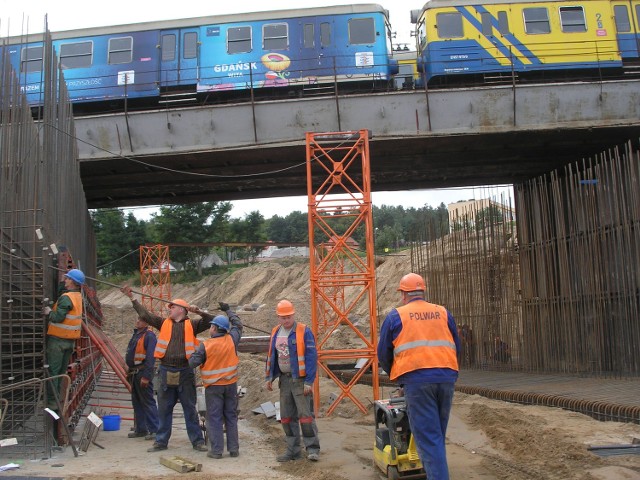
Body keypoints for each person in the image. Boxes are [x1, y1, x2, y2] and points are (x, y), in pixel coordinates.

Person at [377, 273, 460, 480]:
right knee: (436, 436)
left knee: (429, 439)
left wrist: (398, 376)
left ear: (404, 294)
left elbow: (383, 354)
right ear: (423, 291)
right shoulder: (443, 312)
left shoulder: (397, 316)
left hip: (418, 381)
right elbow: (456, 345)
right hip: (446, 377)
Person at [120, 285, 210, 453]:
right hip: (166, 370)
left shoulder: (194, 325)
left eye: (173, 306)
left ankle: (197, 441)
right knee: (164, 408)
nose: (170, 309)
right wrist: (132, 298)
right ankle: (161, 441)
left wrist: (199, 311)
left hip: (185, 371)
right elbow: (145, 314)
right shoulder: (163, 323)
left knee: (189, 408)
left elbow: (211, 321)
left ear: (183, 310)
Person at [265, 299, 320, 462]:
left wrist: (309, 382)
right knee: (287, 417)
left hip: (300, 381)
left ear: (293, 315)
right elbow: (271, 356)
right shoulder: (276, 331)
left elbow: (311, 357)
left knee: (305, 416)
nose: (286, 320)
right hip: (284, 380)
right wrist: (269, 377)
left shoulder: (304, 331)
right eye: (283, 317)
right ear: (278, 317)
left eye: (289, 317)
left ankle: (312, 449)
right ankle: (293, 450)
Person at [189, 308, 243, 459]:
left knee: (214, 418)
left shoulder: (206, 345)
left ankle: (217, 451)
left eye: (211, 326)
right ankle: (233, 449)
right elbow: (238, 325)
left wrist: (194, 352)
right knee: (231, 416)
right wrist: (229, 311)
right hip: (231, 384)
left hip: (214, 387)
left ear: (214, 328)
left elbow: (192, 362)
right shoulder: (232, 339)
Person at [43, 268, 85, 410]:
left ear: (72, 281)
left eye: (67, 279)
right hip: (69, 342)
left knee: (53, 373)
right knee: (60, 373)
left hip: (58, 341)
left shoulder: (66, 298)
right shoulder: (77, 296)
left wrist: (49, 312)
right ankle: (57, 400)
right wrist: (63, 281)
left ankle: (51, 402)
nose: (65, 280)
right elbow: (64, 295)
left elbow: (58, 317)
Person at [125, 316, 159, 440]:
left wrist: (146, 377)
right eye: (137, 319)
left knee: (147, 401)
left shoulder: (149, 336)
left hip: (142, 372)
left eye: (140, 320)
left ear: (146, 323)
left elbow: (151, 358)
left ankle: (155, 429)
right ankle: (141, 429)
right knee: (137, 401)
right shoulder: (137, 335)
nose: (137, 321)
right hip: (134, 373)